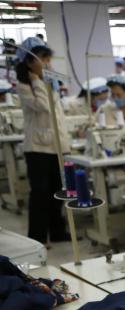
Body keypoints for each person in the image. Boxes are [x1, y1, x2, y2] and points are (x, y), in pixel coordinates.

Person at [15, 36, 71, 244]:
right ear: (29, 62)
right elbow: (43, 107)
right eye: (42, 59)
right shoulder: (25, 86)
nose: (47, 64)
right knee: (40, 195)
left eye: (48, 59)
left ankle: (57, 232)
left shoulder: (51, 84)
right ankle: (37, 238)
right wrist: (38, 80)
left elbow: (57, 115)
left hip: (57, 147)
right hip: (38, 149)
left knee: (58, 193)